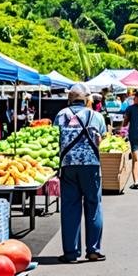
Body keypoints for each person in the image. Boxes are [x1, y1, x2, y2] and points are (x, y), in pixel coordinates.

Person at [54, 84, 107, 263]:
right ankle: (93, 250)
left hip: (67, 165)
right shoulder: (96, 116)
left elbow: (55, 139)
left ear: (69, 98)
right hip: (91, 165)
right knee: (93, 206)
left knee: (70, 208)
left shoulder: (61, 115)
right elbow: (102, 138)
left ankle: (71, 253)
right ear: (86, 99)